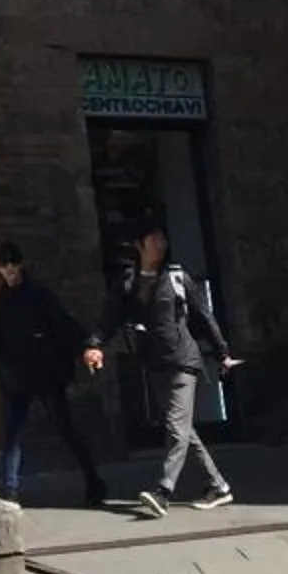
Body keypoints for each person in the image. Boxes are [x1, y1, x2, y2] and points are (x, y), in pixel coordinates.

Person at [91, 221, 239, 518]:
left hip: (183, 360)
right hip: (155, 362)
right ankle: (219, 487)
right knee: (183, 430)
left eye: (162, 238)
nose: (161, 243)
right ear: (139, 245)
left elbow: (203, 316)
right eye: (154, 238)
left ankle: (163, 490)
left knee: (175, 425)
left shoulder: (176, 277)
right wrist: (94, 344)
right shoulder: (129, 282)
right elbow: (110, 317)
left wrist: (222, 351)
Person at [0, 241, 107, 507]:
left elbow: (63, 323)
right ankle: (10, 489)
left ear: (20, 265)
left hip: (45, 373)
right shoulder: (0, 302)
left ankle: (93, 479)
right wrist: (1, 372)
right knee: (13, 433)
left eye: (12, 265)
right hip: (17, 377)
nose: (9, 271)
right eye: (4, 267)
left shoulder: (38, 295)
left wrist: (86, 346)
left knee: (65, 428)